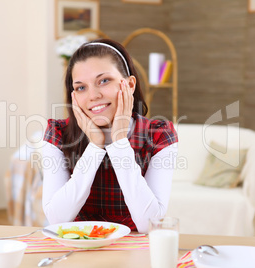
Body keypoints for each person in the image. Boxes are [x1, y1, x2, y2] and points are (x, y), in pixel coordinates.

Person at [42, 38, 178, 233]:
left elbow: (149, 225)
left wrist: (120, 143)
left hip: (134, 250)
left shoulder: (160, 135)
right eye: (81, 87)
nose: (93, 95)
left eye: (104, 81)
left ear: (130, 85)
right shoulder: (57, 133)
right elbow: (56, 219)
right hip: (78, 249)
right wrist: (95, 146)